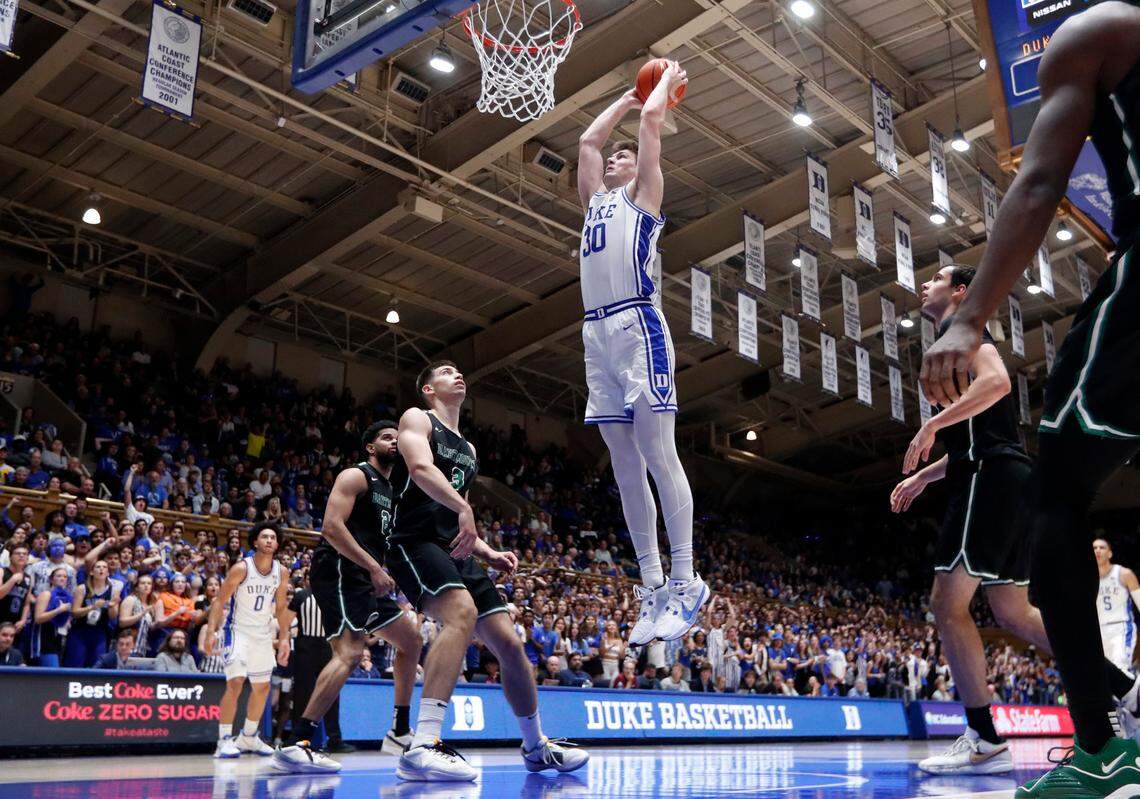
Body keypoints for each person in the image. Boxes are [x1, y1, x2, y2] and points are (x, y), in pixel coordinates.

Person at [920, 3, 1140, 795]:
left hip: (996, 474)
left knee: (1044, 515)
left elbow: (1042, 177)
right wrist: (926, 468)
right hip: (972, 473)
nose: (925, 294)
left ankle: (1096, 742)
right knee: (1002, 611)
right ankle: (1115, 689)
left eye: (934, 289)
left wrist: (972, 312)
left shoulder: (1102, 31)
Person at [384, 361, 587, 781]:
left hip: (454, 548)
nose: (457, 374)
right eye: (445, 371)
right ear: (428, 388)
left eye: (461, 370)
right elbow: (421, 471)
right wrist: (465, 507)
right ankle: (422, 744)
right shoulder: (417, 419)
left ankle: (536, 746)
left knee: (510, 644)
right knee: (460, 613)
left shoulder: (469, 450)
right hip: (412, 540)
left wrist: (487, 550)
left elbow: (455, 515)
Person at [575, 62, 707, 647]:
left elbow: (654, 122)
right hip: (595, 333)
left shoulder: (645, 196)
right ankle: (651, 587)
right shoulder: (594, 204)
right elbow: (586, 140)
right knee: (624, 467)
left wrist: (654, 92)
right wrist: (624, 96)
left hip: (638, 324)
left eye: (623, 158)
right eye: (614, 159)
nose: (614, 160)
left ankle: (686, 579)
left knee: (657, 451)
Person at [273, 421, 423, 774]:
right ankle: (299, 741)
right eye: (388, 437)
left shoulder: (393, 489)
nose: (396, 441)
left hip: (368, 576)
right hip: (340, 569)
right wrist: (373, 568)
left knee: (411, 639)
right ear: (370, 447)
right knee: (351, 652)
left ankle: (400, 730)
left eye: (398, 437)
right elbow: (331, 527)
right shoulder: (356, 476)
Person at [203, 523, 291, 759]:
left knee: (262, 687)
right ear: (255, 542)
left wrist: (284, 638)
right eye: (265, 536)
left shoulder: (281, 572)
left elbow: (281, 607)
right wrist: (211, 632)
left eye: (273, 537)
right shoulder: (242, 568)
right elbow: (219, 601)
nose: (270, 540)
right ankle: (223, 740)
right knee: (236, 683)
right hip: (238, 631)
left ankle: (249, 737)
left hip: (262, 634)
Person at [1095, 538, 1140, 673]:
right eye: (1094, 548)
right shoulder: (1086, 579)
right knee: (1102, 675)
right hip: (1098, 631)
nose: (1097, 550)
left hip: (1121, 629)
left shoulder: (1124, 574)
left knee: (1121, 670)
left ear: (1110, 553)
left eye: (1102, 547)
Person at [64, 560, 119, 667]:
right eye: (98, 567)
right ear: (92, 572)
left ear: (108, 572)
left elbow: (113, 616)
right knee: (75, 665)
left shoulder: (113, 591)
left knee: (97, 666)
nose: (101, 569)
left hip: (100, 632)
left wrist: (112, 607)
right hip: (80, 631)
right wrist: (92, 607)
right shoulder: (82, 588)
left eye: (104, 567)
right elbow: (74, 612)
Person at [31, 567, 72, 667]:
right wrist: (58, 610)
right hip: (44, 637)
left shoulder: (67, 596)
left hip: (58, 637)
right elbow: (38, 618)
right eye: (59, 576)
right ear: (51, 579)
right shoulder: (46, 594)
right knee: (52, 670)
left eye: (65, 576)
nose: (62, 578)